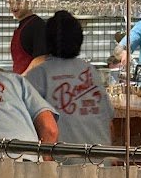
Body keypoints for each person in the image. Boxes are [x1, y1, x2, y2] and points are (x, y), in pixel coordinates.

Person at [26, 10, 114, 145]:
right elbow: (109, 123)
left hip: (63, 156)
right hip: (100, 154)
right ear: (79, 39)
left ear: (47, 40)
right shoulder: (90, 71)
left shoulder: (38, 75)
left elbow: (34, 127)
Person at [8, 0, 47, 74]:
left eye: (18, 2)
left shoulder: (37, 25)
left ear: (30, 3)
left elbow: (41, 59)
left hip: (33, 81)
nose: (14, 7)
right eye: (11, 3)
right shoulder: (22, 26)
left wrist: (22, 78)